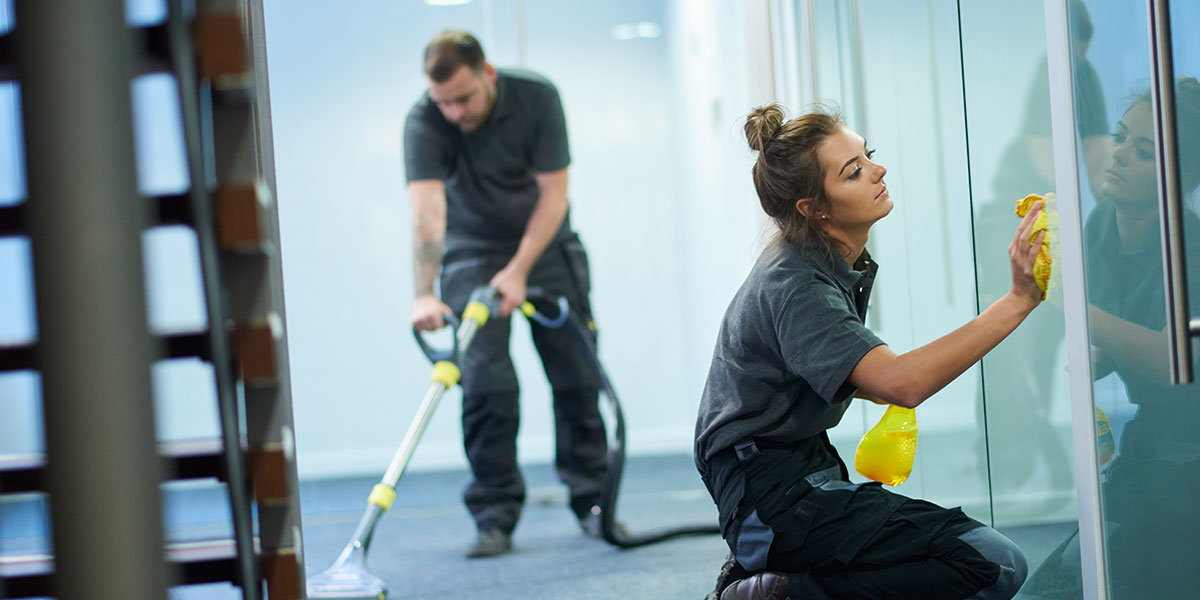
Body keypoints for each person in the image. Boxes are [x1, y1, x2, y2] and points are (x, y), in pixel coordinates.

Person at [694, 103, 1045, 599]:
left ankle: (780, 585)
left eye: (868, 156)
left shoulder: (826, 262)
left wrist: (880, 378)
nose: (877, 170)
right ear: (813, 209)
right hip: (768, 494)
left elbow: (863, 378)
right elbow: (901, 383)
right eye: (854, 171)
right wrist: (1018, 300)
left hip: (798, 468)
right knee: (993, 564)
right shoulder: (796, 282)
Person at [403, 29, 608, 558]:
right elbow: (427, 215)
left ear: (487, 74)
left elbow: (555, 195)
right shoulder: (424, 120)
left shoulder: (537, 97)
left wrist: (519, 270)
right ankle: (494, 515)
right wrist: (424, 293)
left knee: (577, 377)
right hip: (471, 251)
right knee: (485, 387)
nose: (453, 113)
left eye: (463, 99)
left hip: (546, 245)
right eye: (442, 101)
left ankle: (594, 503)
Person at [1022, 77, 1200, 600]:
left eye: (1143, 152)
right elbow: (1119, 335)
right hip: (1152, 449)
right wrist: (1094, 356)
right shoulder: (1101, 226)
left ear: (1178, 176)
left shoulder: (1191, 247)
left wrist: (1072, 307)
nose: (1118, 155)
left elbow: (1174, 358)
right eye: (1121, 137)